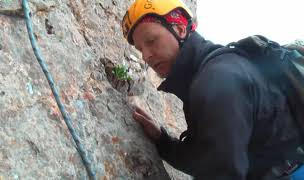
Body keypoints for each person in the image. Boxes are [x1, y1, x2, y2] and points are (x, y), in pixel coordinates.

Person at [121, 0, 304, 179]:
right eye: (140, 49)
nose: (146, 55)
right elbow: (207, 159)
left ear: (179, 29)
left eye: (151, 41)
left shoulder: (217, 80)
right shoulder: (205, 75)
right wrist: (162, 141)